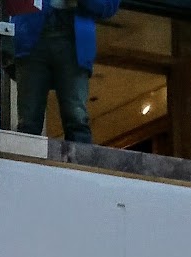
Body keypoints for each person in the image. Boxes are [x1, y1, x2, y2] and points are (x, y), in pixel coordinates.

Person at [10, 0, 120, 147]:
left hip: (70, 42)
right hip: (32, 39)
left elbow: (109, 6)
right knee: (29, 119)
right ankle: (25, 158)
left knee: (75, 117)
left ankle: (79, 160)